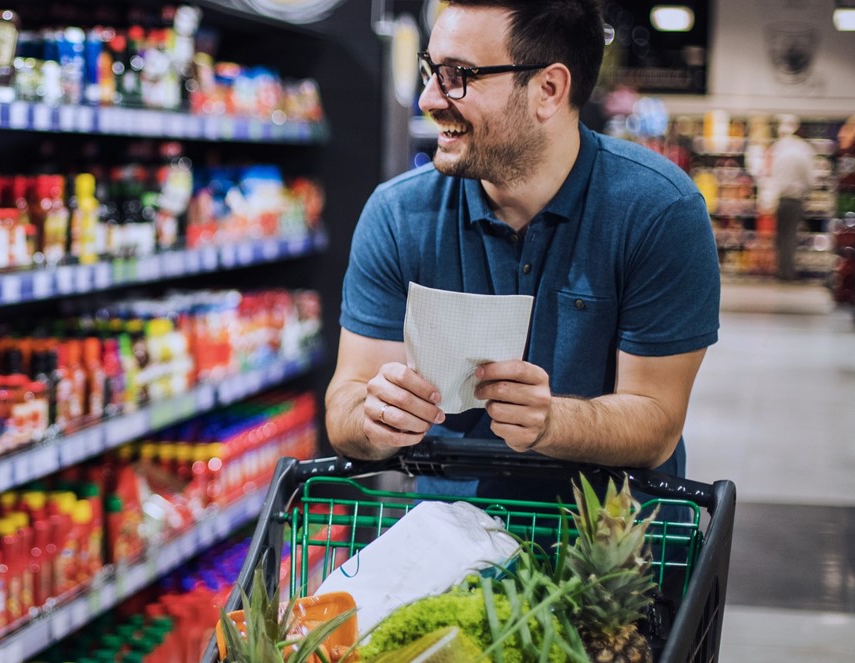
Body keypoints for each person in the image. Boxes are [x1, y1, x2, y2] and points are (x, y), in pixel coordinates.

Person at [324, 0, 721, 496]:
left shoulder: (658, 211)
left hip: (610, 549)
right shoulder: (398, 214)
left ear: (548, 90)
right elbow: (345, 405)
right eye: (431, 70)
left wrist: (552, 421)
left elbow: (658, 421)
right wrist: (374, 418)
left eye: (458, 75)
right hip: (444, 547)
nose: (428, 98)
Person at [768, 114, 815, 282]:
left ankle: (781, 270)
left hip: (782, 199)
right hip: (796, 199)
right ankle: (788, 272)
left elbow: (771, 175)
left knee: (781, 236)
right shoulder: (804, 149)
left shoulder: (778, 148)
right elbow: (810, 178)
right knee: (790, 236)